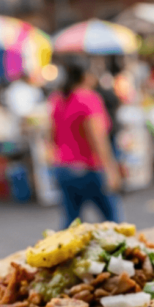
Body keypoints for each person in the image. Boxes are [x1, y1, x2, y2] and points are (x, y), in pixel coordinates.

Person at [50, 61, 122, 228]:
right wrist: (111, 170)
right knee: (113, 222)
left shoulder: (58, 99)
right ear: (85, 76)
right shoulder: (88, 98)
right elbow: (98, 138)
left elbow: (52, 135)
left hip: (64, 168)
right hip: (89, 169)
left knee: (70, 223)